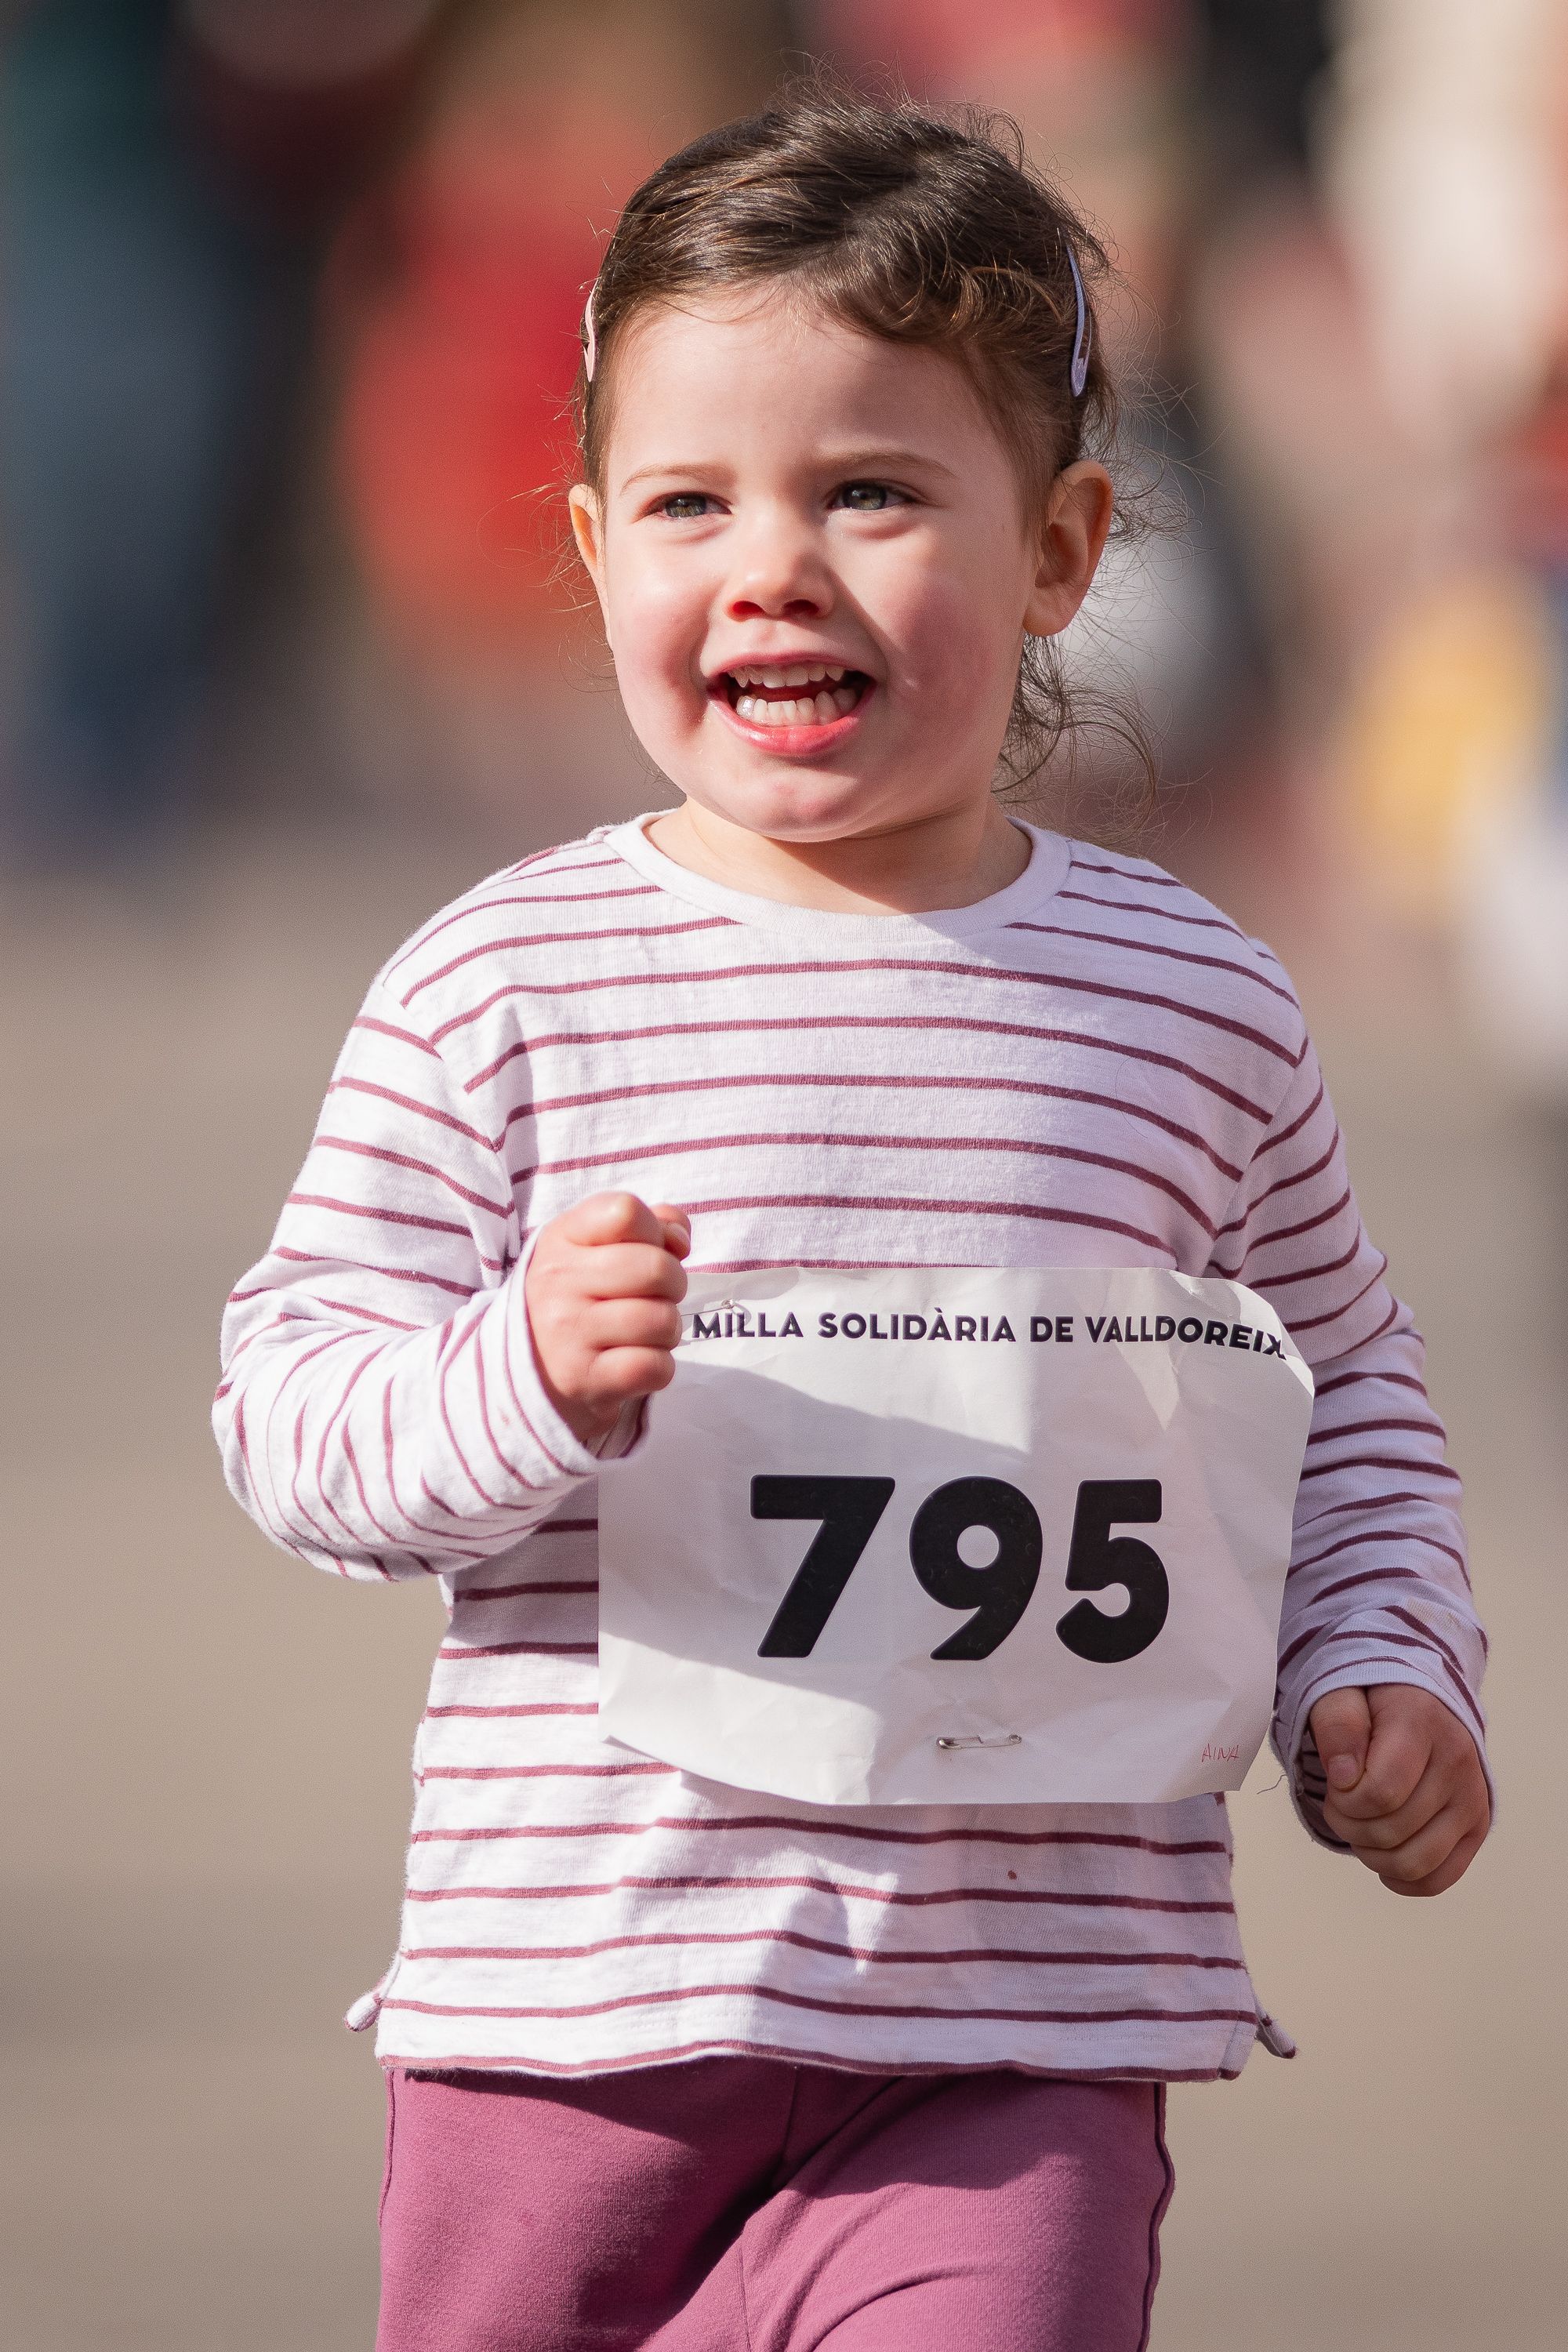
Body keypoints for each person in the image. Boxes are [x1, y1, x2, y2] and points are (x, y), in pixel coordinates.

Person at [212, 82, 1491, 2352]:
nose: (773, 565)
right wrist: (511, 1373)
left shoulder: (1190, 1001)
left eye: (874, 491)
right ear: (598, 547)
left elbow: (1345, 1380)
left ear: (1065, 550)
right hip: (582, 2016)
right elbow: (294, 1412)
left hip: (1030, 2033)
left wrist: (1378, 1659)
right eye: (692, 500)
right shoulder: (501, 989)